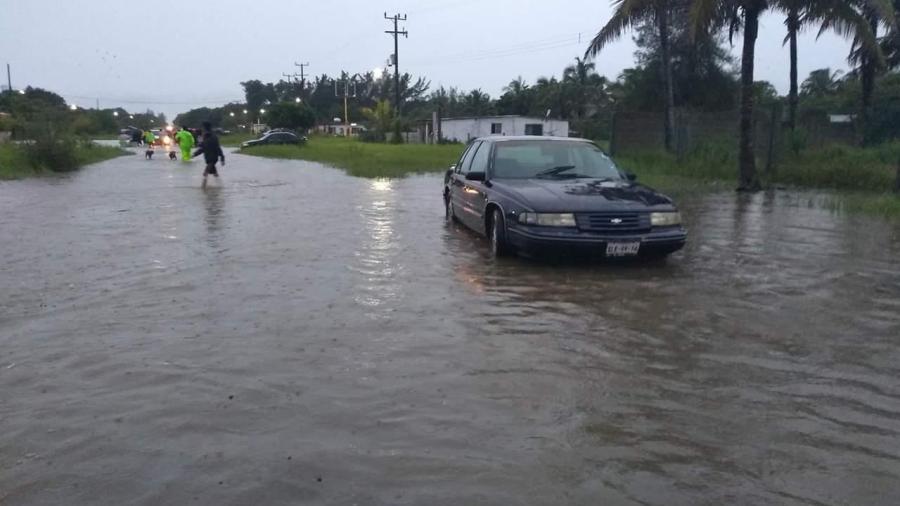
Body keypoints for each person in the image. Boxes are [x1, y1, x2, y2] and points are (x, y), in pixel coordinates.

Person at [193, 121, 225, 189]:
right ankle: (220, 187)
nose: (202, 129)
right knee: (215, 173)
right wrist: (195, 154)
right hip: (208, 158)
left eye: (202, 127)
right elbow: (203, 148)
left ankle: (203, 188)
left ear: (205, 127)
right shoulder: (206, 136)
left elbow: (217, 147)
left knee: (205, 173)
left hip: (212, 158)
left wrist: (222, 158)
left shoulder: (212, 137)